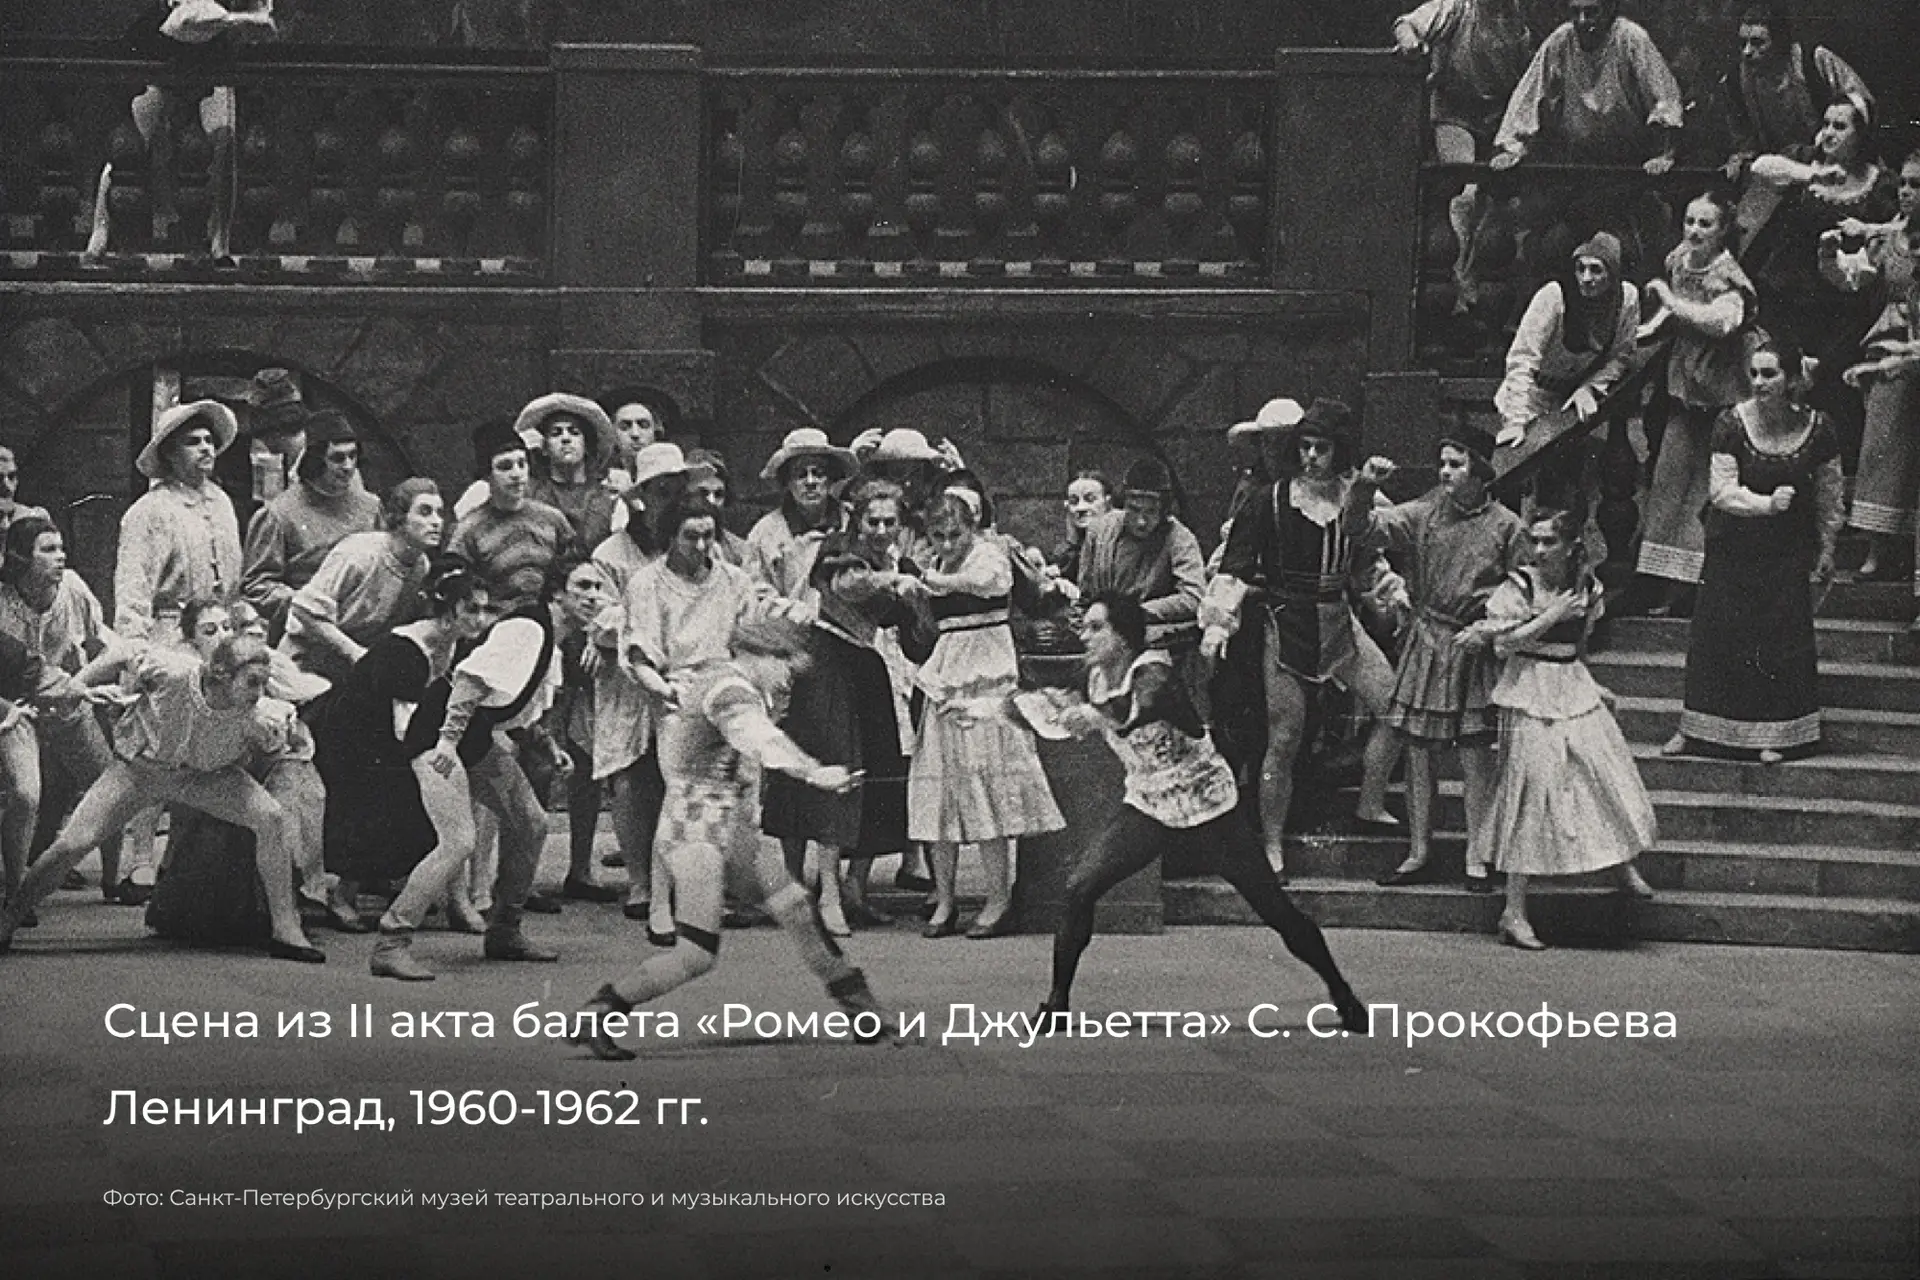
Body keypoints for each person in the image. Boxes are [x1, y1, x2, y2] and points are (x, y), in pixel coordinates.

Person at [567, 614, 889, 1061]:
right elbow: (759, 738)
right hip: (695, 830)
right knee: (696, 953)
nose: (788, 678)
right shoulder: (730, 689)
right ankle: (601, 1011)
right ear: (759, 655)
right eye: (785, 664)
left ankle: (864, 1013)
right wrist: (813, 772)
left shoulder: (728, 681)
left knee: (797, 907)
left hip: (727, 825)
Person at [1038, 595, 1367, 1030]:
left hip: (1209, 804)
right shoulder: (1093, 675)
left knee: (1276, 910)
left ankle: (1342, 994)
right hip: (1149, 803)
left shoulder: (1154, 672)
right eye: (1086, 626)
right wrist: (987, 706)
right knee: (1080, 887)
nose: (1085, 635)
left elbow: (1138, 707)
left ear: (1124, 637)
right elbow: (1044, 705)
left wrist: (1091, 714)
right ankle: (1057, 1005)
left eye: (1097, 628)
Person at [0, 634, 324, 963]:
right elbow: (125, 649)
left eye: (264, 684)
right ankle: (8, 920)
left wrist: (280, 738)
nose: (258, 693)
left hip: (204, 777)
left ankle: (286, 928)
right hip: (139, 772)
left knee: (271, 817)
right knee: (72, 844)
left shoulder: (259, 714)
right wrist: (77, 688)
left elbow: (280, 744)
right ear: (221, 674)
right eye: (252, 682)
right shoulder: (174, 671)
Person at [1202, 400, 1404, 872]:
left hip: (1339, 619)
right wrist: (1217, 624)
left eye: (1322, 448)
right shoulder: (1268, 500)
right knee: (1285, 738)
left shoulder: (1356, 498)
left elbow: (1368, 564)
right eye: (1306, 446)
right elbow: (1233, 568)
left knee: (1396, 709)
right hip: (1286, 621)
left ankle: (1370, 802)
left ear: (1339, 451)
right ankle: (1272, 846)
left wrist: (1392, 593)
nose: (1311, 456)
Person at [1456, 509, 1656, 950]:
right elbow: (1504, 645)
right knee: (1532, 790)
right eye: (1535, 540)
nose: (1540, 549)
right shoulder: (1519, 587)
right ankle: (1514, 910)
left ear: (1571, 547)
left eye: (1550, 542)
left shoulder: (1588, 586)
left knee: (1600, 773)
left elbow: (1577, 647)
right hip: (1529, 688)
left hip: (1571, 684)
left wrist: (1593, 684)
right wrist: (1551, 615)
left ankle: (1620, 866)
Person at [1665, 336, 1843, 763]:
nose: (1759, 382)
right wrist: (1766, 504)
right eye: (1754, 374)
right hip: (1733, 546)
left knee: (1780, 638)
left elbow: (1829, 495)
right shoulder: (1731, 424)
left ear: (1791, 380)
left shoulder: (1819, 427)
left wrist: (1827, 547)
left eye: (1770, 374)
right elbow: (1721, 491)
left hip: (1786, 550)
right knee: (1717, 635)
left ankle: (1779, 734)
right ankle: (1695, 729)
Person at [896, 488, 1064, 938]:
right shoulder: (936, 562)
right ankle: (944, 899)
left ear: (972, 527)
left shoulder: (991, 554)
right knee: (939, 787)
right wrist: (915, 592)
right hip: (945, 677)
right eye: (939, 536)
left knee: (987, 785)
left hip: (987, 678)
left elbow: (989, 584)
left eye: (955, 534)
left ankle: (997, 899)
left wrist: (925, 580)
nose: (948, 544)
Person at [1373, 424, 1527, 889]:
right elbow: (1369, 528)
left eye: (1455, 464)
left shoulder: (1508, 526)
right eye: (1442, 463)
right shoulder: (1426, 512)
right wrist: (1364, 488)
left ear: (1480, 471)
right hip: (1428, 642)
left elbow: (1522, 592)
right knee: (1418, 752)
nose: (1444, 472)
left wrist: (1489, 629)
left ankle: (1477, 855)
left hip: (1474, 648)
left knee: (1475, 756)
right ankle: (1419, 851)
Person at [308, 556, 492, 942]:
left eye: (484, 610)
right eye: (471, 610)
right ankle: (342, 895)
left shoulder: (456, 643)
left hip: (396, 729)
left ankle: (455, 900)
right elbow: (399, 719)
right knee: (386, 797)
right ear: (448, 611)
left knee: (440, 792)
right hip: (353, 735)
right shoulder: (406, 649)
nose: (480, 619)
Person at [762, 478, 917, 937]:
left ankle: (853, 888)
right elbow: (847, 586)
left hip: (867, 667)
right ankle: (816, 890)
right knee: (827, 767)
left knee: (877, 770)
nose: (881, 530)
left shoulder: (899, 560)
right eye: (873, 521)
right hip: (826, 663)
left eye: (890, 522)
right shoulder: (838, 548)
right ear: (857, 520)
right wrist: (896, 581)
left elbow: (909, 620)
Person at [1743, 98, 1897, 447]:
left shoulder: (1880, 184)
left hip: (1842, 310)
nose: (1828, 133)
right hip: (1788, 299)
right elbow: (1761, 167)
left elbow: (1891, 235)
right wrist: (1813, 174)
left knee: (1833, 392)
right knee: (1783, 384)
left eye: (1840, 126)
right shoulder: (1802, 163)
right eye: (1825, 124)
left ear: (1862, 134)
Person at [1634, 190, 1757, 615]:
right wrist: (1650, 327)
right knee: (1668, 482)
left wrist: (1671, 303)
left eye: (1706, 224)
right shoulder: (1680, 260)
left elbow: (1721, 323)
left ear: (1723, 230)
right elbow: (1674, 307)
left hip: (1721, 392)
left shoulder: (1728, 276)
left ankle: (1693, 586)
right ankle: (1654, 579)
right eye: (1689, 221)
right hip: (1685, 387)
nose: (1694, 231)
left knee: (1705, 490)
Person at [84, 0, 278, 263]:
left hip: (212, 58)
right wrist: (236, 20)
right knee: (131, 143)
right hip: (162, 51)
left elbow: (263, 20)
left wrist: (249, 20)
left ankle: (220, 243)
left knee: (224, 139)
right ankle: (100, 231)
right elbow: (185, 20)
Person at [0, 514, 124, 901]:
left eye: (62, 548)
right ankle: (16, 891)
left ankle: (112, 881)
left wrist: (82, 686)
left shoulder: (72, 587)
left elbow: (109, 645)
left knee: (111, 787)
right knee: (25, 795)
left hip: (68, 703)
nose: (61, 556)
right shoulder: (2, 598)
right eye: (49, 549)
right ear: (22, 557)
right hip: (17, 710)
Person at [1392, 0, 1534, 306]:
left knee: (1500, 204)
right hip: (1454, 112)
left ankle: (1481, 287)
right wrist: (1411, 44)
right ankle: (1458, 286)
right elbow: (1407, 24)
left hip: (1499, 118)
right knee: (1466, 193)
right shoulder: (1456, 8)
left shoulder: (1515, 17)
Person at [1829, 150, 1919, 582]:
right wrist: (1833, 259)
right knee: (1883, 442)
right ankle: (1878, 547)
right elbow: (1857, 278)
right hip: (1892, 340)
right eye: (1903, 183)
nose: (1906, 192)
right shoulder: (1888, 238)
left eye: (1917, 185)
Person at [1490, 0, 1682, 175]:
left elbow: (1664, 96)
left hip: (1629, 159)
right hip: (1577, 158)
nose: (1582, 21)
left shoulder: (1631, 38)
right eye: (1575, 12)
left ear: (1608, 9)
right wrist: (1512, 148)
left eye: (1591, 12)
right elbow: (1529, 94)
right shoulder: (1561, 40)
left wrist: (1663, 153)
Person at [240, 410, 381, 640]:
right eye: (337, 458)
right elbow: (257, 585)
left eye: (353, 456)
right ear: (316, 460)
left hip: (366, 628)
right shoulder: (279, 514)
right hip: (305, 633)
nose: (348, 466)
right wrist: (305, 605)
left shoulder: (371, 507)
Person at [1494, 232, 1642, 450]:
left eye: (1596, 270)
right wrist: (1516, 421)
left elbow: (1621, 356)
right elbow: (1522, 359)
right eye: (1581, 268)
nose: (1586, 278)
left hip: (1570, 400)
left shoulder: (1626, 298)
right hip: (1531, 395)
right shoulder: (1554, 297)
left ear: (1612, 275)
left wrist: (1590, 387)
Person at [282, 478, 438, 682]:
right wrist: (354, 652)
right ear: (399, 518)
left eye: (439, 513)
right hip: (304, 663)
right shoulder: (360, 553)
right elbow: (303, 609)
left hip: (352, 672)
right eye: (425, 512)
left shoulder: (420, 566)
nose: (437, 521)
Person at [114, 400, 243, 641]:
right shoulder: (151, 510)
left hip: (221, 633)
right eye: (192, 442)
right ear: (170, 454)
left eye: (209, 440)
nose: (205, 448)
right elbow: (134, 587)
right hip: (171, 635)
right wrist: (135, 645)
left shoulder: (221, 502)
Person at [445, 417, 580, 616]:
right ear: (487, 475)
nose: (517, 474)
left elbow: (574, 572)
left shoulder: (553, 519)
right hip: (495, 623)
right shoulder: (469, 530)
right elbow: (458, 592)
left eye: (522, 464)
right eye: (505, 466)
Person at [1721, 5, 1873, 180]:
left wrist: (1831, 138)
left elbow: (1861, 105)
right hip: (1778, 173)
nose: (1747, 52)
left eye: (1758, 43)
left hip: (1833, 164)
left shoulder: (1813, 61)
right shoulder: (1736, 81)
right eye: (1743, 43)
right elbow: (1744, 140)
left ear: (1780, 42)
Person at [1074, 457, 1205, 654]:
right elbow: (1084, 597)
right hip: (1101, 641)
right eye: (1134, 509)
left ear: (1164, 511)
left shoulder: (1179, 538)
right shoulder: (1099, 531)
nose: (1141, 521)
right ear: (1123, 503)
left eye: (1151, 512)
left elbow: (1194, 596)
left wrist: (1137, 613)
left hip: (1152, 643)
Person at [746, 428, 856, 604]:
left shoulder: (852, 520)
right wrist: (794, 611)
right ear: (787, 482)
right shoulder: (765, 533)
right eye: (800, 475)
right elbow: (756, 593)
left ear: (830, 479)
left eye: (818, 473)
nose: (810, 482)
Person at [520, 393, 620, 552]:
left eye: (574, 432)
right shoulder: (530, 494)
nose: (565, 438)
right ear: (544, 448)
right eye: (556, 433)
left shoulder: (607, 497)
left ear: (586, 446)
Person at [218, 367, 309, 530]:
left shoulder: (312, 465)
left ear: (274, 431)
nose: (262, 442)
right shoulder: (295, 464)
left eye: (262, 435)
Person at [1054, 469, 1116, 581]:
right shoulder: (1066, 555)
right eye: (1074, 501)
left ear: (1107, 502)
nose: (1081, 508)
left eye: (1090, 499)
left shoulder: (1118, 547)